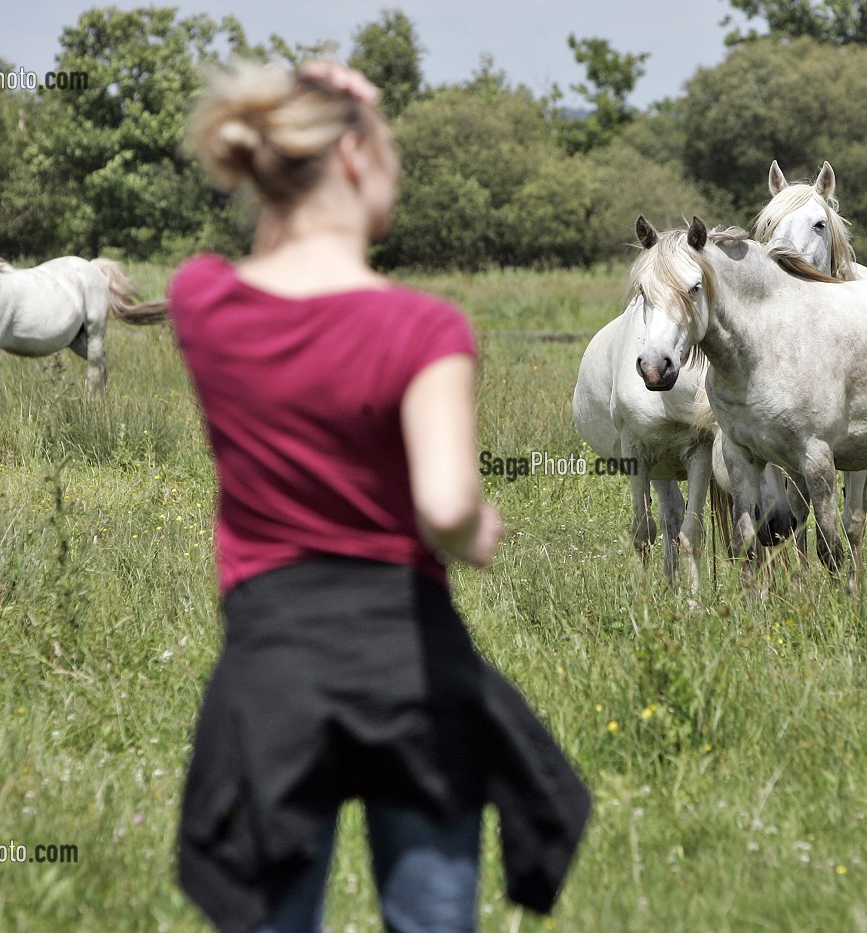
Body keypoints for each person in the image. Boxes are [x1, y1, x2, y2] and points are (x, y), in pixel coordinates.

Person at [168, 59, 589, 933]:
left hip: (272, 667)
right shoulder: (423, 327)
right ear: (356, 157)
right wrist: (475, 531)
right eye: (392, 149)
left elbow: (256, 270)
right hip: (410, 667)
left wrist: (300, 106)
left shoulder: (203, 300)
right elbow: (445, 503)